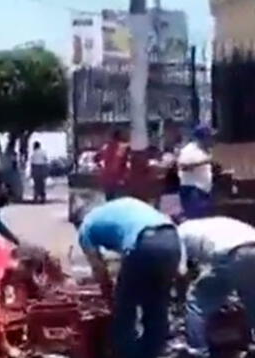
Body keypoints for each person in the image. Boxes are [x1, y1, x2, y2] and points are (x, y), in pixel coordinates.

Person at [75, 197, 181, 358]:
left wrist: (108, 294)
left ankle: (126, 354)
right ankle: (153, 353)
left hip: (144, 242)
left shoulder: (86, 225)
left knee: (124, 309)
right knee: (156, 305)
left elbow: (98, 268)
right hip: (172, 239)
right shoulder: (117, 208)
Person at [177, 217, 255, 358]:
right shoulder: (213, 223)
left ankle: (198, 350)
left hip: (233, 253)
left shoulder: (180, 233)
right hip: (250, 246)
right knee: (252, 300)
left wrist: (182, 293)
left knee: (197, 302)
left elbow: (182, 271)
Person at [177, 125, 214, 219]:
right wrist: (204, 161)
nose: (212, 140)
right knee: (196, 219)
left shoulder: (205, 151)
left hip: (203, 190)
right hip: (192, 191)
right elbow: (183, 166)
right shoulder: (189, 150)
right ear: (203, 138)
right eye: (209, 137)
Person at [95, 129, 130, 201]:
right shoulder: (122, 147)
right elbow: (118, 162)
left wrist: (101, 166)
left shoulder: (106, 146)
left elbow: (96, 158)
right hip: (116, 178)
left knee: (109, 198)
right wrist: (121, 178)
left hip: (106, 177)